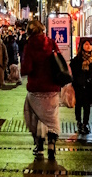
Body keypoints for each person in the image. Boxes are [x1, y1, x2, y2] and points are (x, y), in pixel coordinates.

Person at [21, 19, 62, 160]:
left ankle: (39, 146)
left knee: (36, 117)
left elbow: (27, 68)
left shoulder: (29, 46)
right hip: (52, 87)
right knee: (52, 117)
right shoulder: (51, 43)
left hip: (36, 88)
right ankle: (51, 144)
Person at [69, 39, 92, 135]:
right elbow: (73, 73)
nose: (88, 46)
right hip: (78, 86)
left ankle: (85, 123)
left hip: (89, 87)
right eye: (86, 44)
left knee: (87, 106)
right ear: (82, 46)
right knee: (78, 105)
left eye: (89, 45)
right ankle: (79, 122)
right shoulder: (77, 60)